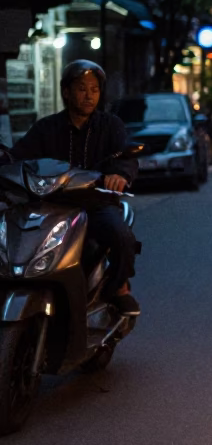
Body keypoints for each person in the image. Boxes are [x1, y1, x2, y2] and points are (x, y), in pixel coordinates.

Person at [11, 60, 141, 315]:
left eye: (94, 89)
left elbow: (126, 158)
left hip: (97, 204)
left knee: (122, 237)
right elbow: (19, 157)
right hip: (53, 204)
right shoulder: (46, 128)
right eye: (82, 88)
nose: (89, 95)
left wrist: (119, 174)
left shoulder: (110, 125)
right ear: (66, 91)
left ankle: (119, 287)